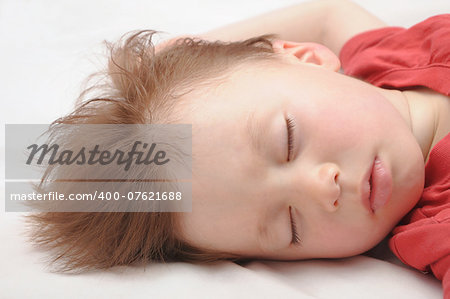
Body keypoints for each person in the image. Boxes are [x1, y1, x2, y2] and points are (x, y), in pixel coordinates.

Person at [25, 0, 449, 297]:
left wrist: (178, 55)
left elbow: (328, 13)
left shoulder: (390, 56)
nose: (323, 188)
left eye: (288, 139)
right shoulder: (438, 234)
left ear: (306, 57)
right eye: (290, 227)